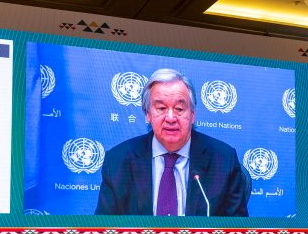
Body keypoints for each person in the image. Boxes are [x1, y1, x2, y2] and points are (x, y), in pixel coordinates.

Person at [95, 68, 249, 216]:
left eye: (179, 109)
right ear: (148, 114)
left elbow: (238, 233)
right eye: (161, 108)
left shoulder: (223, 160)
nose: (170, 118)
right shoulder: (118, 162)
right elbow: (104, 230)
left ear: (192, 114)